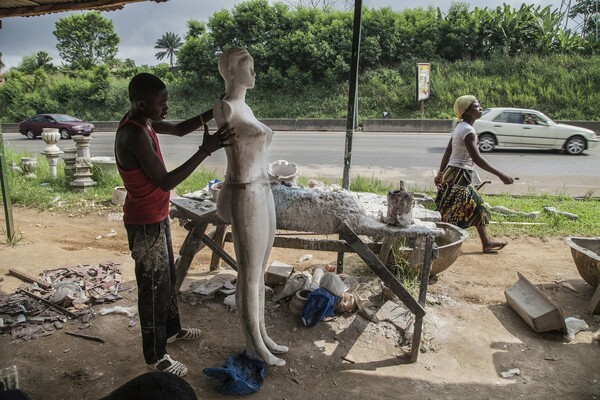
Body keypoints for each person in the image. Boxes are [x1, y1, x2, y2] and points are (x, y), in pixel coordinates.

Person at [114, 72, 234, 377]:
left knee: (165, 278)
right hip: (144, 224)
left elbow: (181, 129)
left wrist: (215, 110)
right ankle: (155, 355)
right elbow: (166, 181)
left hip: (156, 217)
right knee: (152, 289)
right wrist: (206, 149)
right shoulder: (134, 134)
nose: (166, 107)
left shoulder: (144, 121)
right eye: (161, 102)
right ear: (141, 103)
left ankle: (171, 331)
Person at [214, 48, 288, 367]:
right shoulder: (225, 108)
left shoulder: (246, 106)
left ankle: (262, 334)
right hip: (244, 190)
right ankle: (253, 343)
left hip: (262, 189)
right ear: (230, 71)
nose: (254, 72)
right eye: (248, 65)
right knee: (249, 271)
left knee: (260, 269)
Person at [434, 95, 514, 254]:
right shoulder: (468, 130)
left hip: (453, 174)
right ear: (467, 111)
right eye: (477, 106)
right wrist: (501, 175)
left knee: (475, 209)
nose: (481, 108)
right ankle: (436, 245)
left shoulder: (460, 126)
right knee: (451, 213)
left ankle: (486, 243)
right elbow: (477, 158)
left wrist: (441, 172)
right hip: (458, 176)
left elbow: (449, 150)